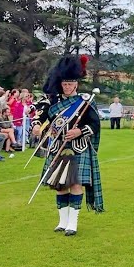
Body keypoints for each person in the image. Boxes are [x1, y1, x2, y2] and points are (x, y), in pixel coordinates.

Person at [34, 55, 103, 235]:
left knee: (76, 184)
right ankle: (62, 221)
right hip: (58, 147)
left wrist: (79, 131)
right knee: (60, 185)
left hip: (78, 147)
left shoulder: (85, 102)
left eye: (71, 84)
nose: (68, 86)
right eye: (65, 84)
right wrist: (36, 126)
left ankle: (73, 223)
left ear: (76, 84)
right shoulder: (52, 101)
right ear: (61, 83)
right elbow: (40, 116)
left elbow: (95, 124)